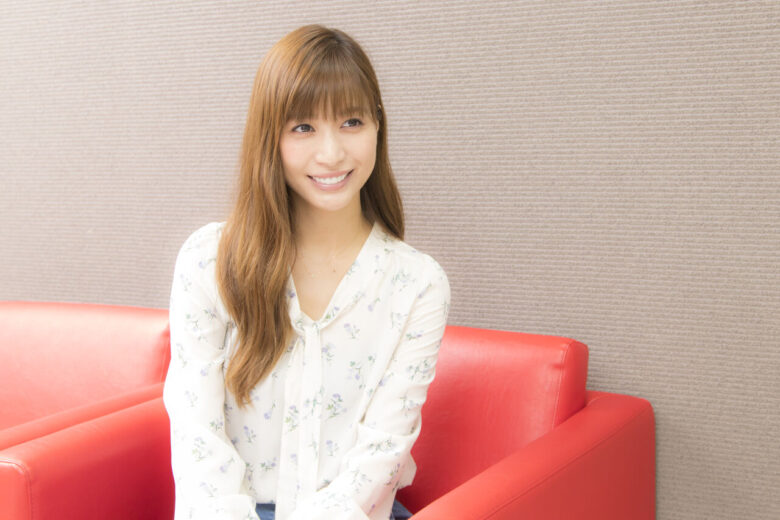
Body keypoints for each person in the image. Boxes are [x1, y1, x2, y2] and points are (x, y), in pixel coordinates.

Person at [162, 24, 450, 520]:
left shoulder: (418, 285)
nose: (332, 153)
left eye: (352, 122)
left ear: (378, 126)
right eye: (303, 128)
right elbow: (196, 437)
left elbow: (381, 455)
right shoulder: (209, 261)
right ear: (269, 136)